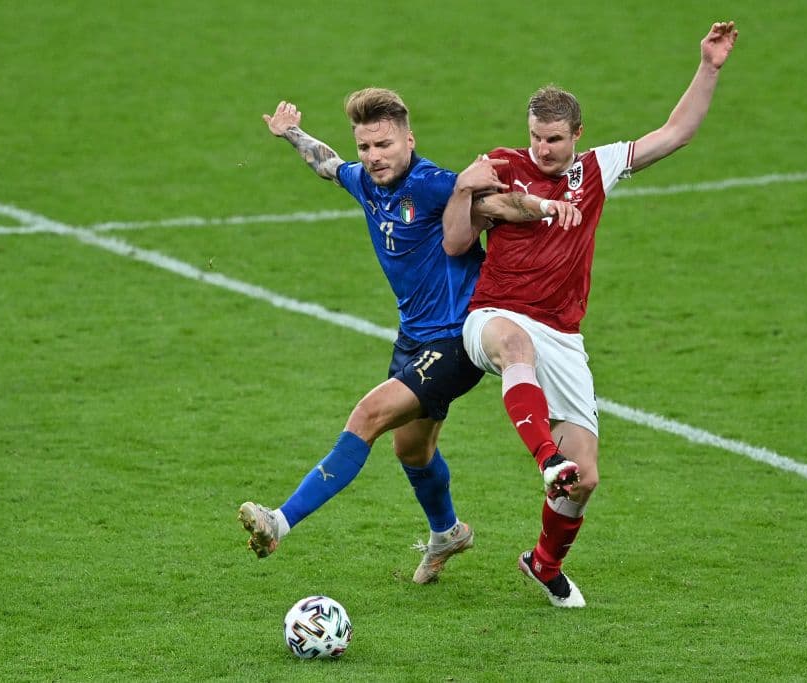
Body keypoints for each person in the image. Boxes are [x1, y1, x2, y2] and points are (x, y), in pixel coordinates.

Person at [443, 21, 739, 607]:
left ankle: (544, 562)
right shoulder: (501, 166)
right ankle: (545, 458)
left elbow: (675, 133)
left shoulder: (597, 170)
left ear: (577, 134)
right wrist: (466, 192)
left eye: (553, 139)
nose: (542, 148)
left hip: (563, 333)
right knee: (515, 350)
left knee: (588, 477)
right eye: (535, 136)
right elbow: (455, 243)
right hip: (494, 314)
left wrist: (708, 67)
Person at [239, 90, 581, 584]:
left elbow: (500, 204)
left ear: (408, 139)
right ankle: (448, 532)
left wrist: (548, 206)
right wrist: (290, 133)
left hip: (456, 340)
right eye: (365, 147)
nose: (373, 157)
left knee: (367, 415)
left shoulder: (432, 184)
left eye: (384, 145)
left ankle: (280, 522)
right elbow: (327, 164)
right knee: (412, 452)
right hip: (413, 339)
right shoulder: (365, 181)